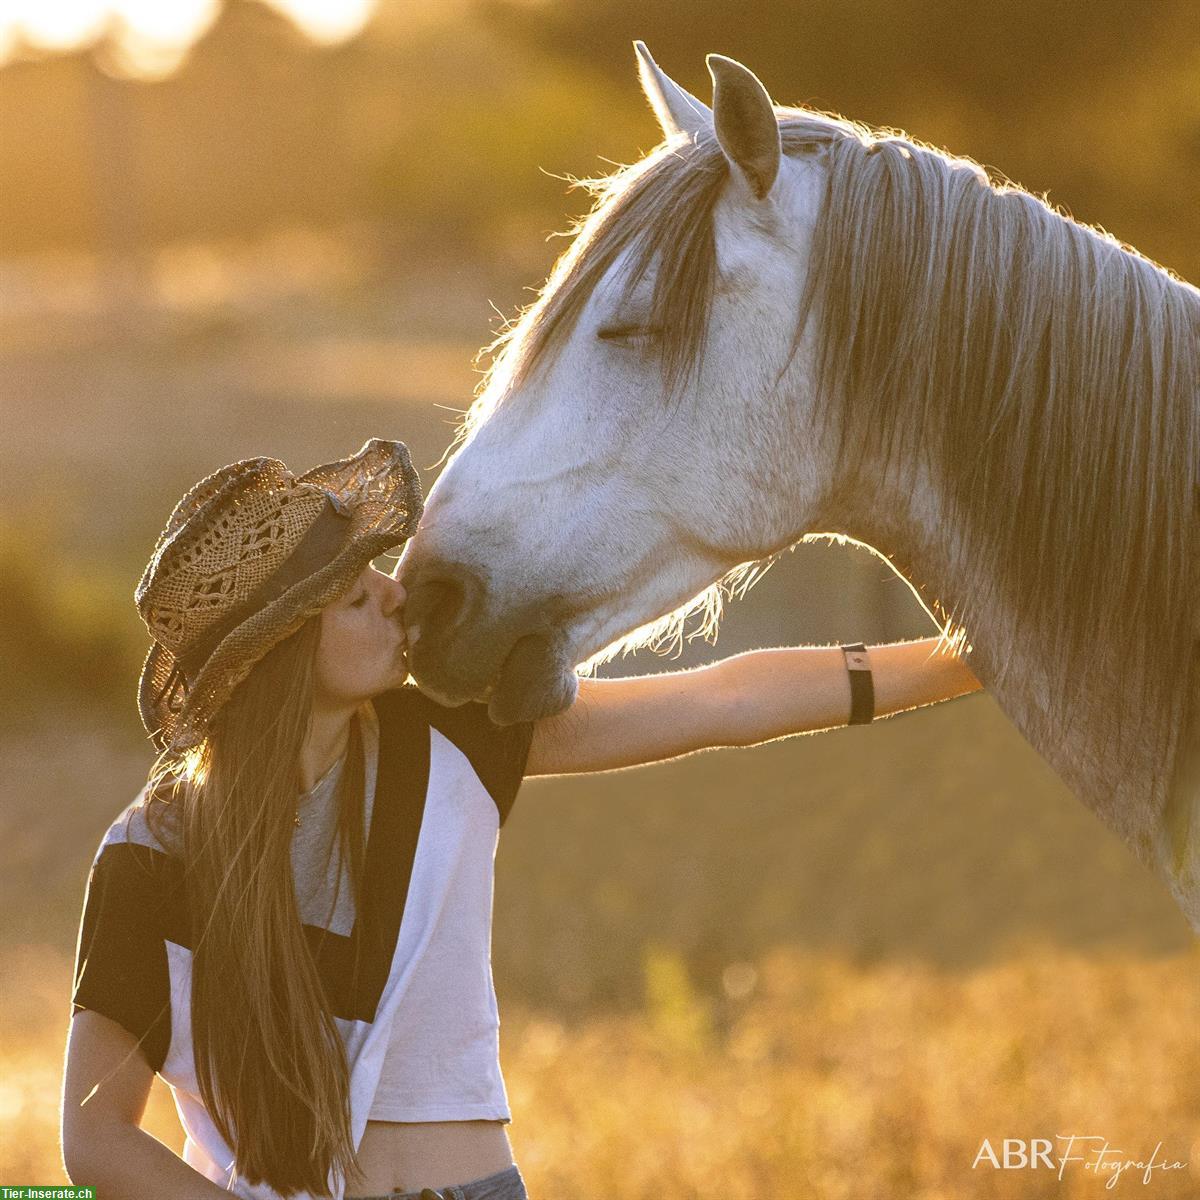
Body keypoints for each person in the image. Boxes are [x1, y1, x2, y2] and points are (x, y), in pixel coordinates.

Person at [60, 438, 982, 1200]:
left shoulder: (456, 740)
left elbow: (724, 702)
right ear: (285, 654)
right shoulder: (152, 857)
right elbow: (95, 1139)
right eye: (353, 593)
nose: (393, 591)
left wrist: (974, 658)